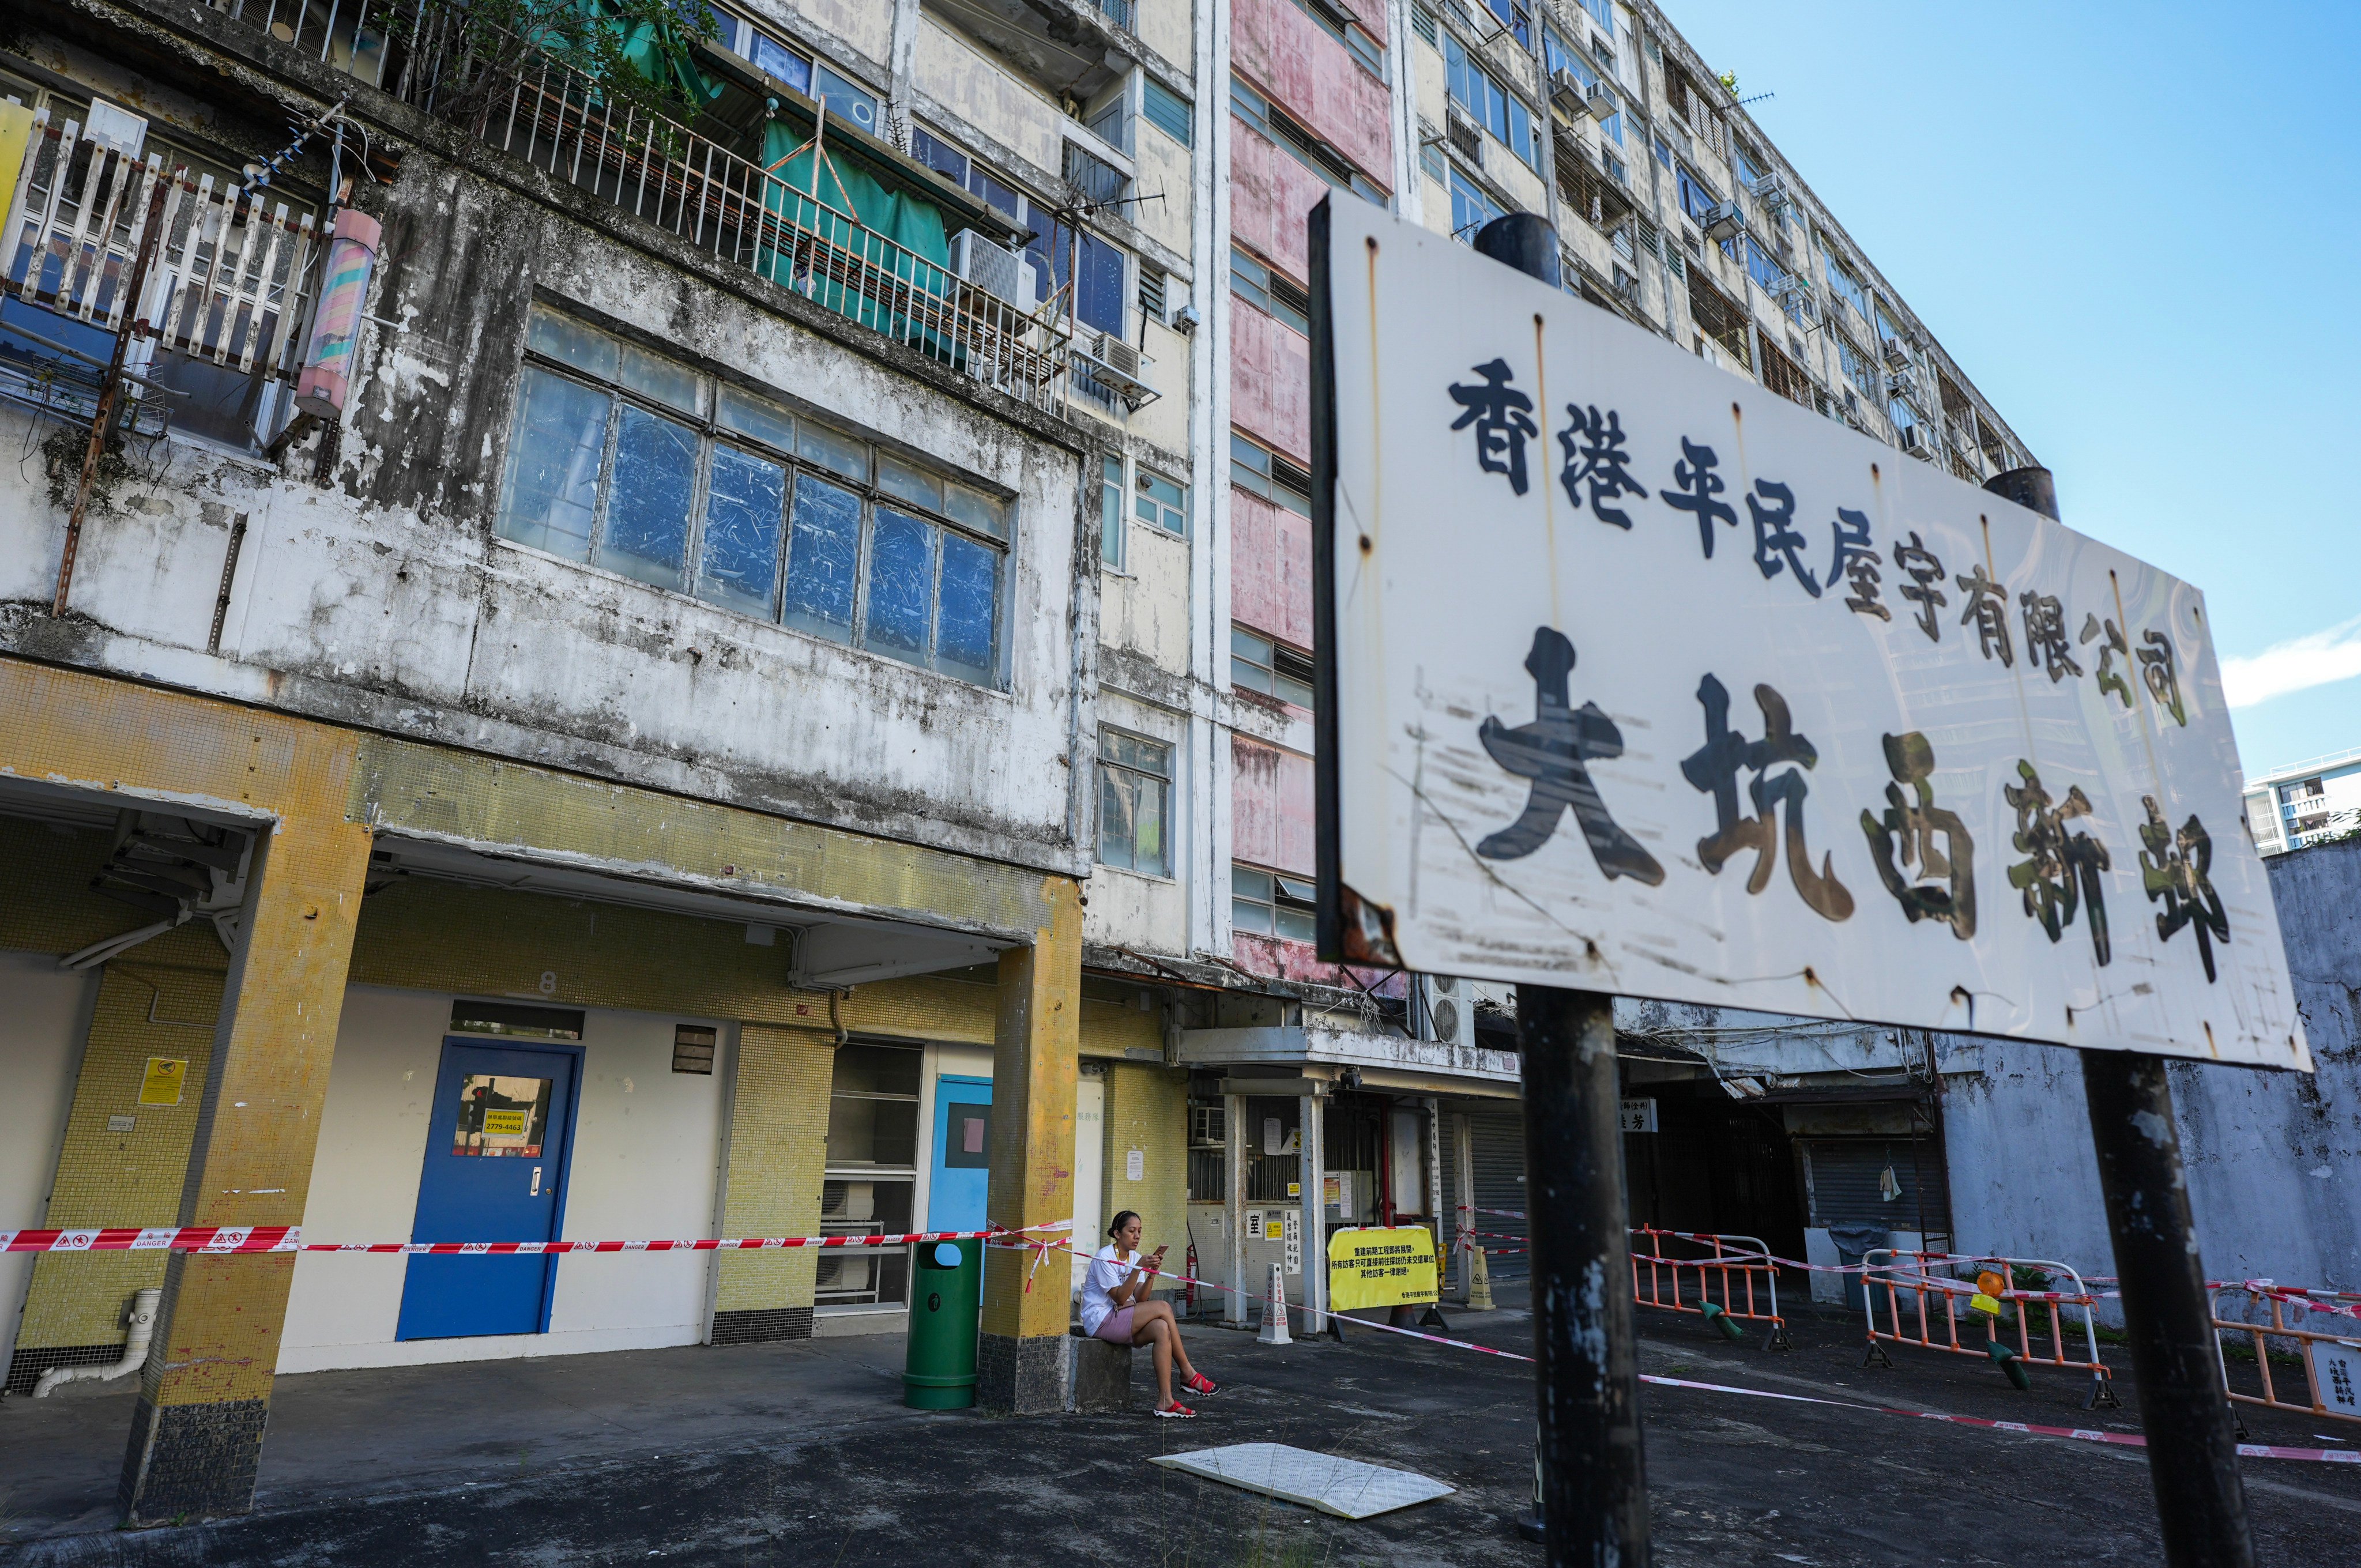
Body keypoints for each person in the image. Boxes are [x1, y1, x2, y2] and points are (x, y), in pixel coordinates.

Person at [1079, 1210, 1219, 1418]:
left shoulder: (1136, 1258)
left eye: (1140, 1231)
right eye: (1131, 1231)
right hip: (1101, 1320)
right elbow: (1119, 1298)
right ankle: (1188, 1373)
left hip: (1123, 1318)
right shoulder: (1105, 1257)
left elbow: (1141, 1298)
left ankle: (1165, 1400)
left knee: (1162, 1329)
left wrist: (1151, 1272)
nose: (1137, 1236)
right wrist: (1137, 1269)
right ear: (1118, 1234)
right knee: (1163, 1307)